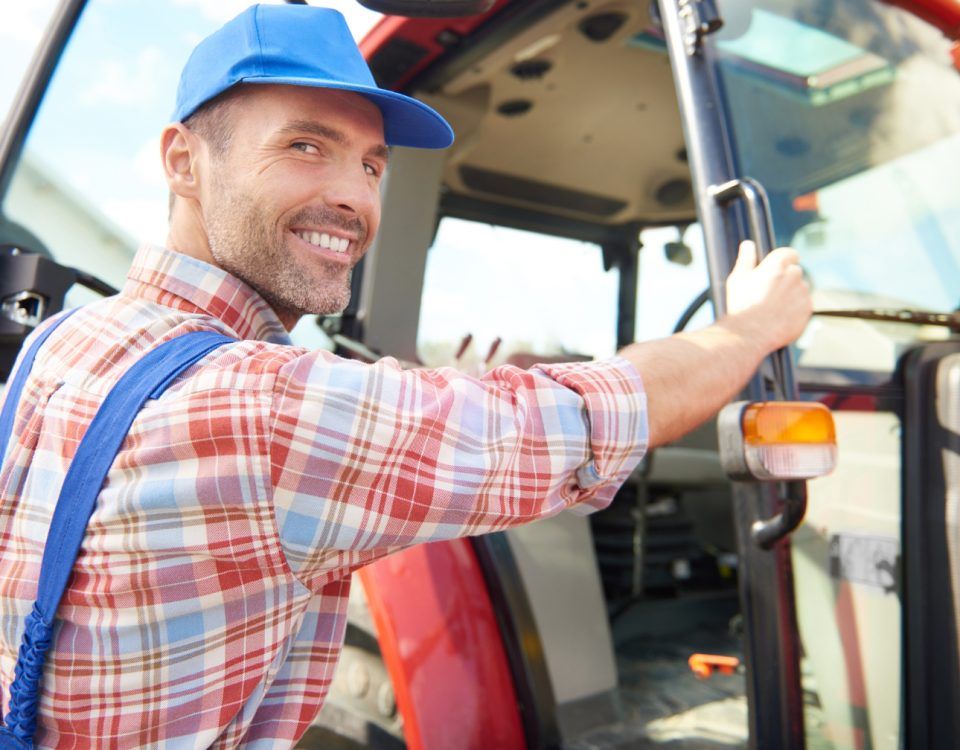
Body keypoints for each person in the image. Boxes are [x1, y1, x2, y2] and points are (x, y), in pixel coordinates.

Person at [0, 4, 811, 748]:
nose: (354, 197)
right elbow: (594, 419)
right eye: (305, 145)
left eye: (373, 166)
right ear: (183, 160)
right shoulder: (266, 407)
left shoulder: (65, 339)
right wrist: (750, 328)